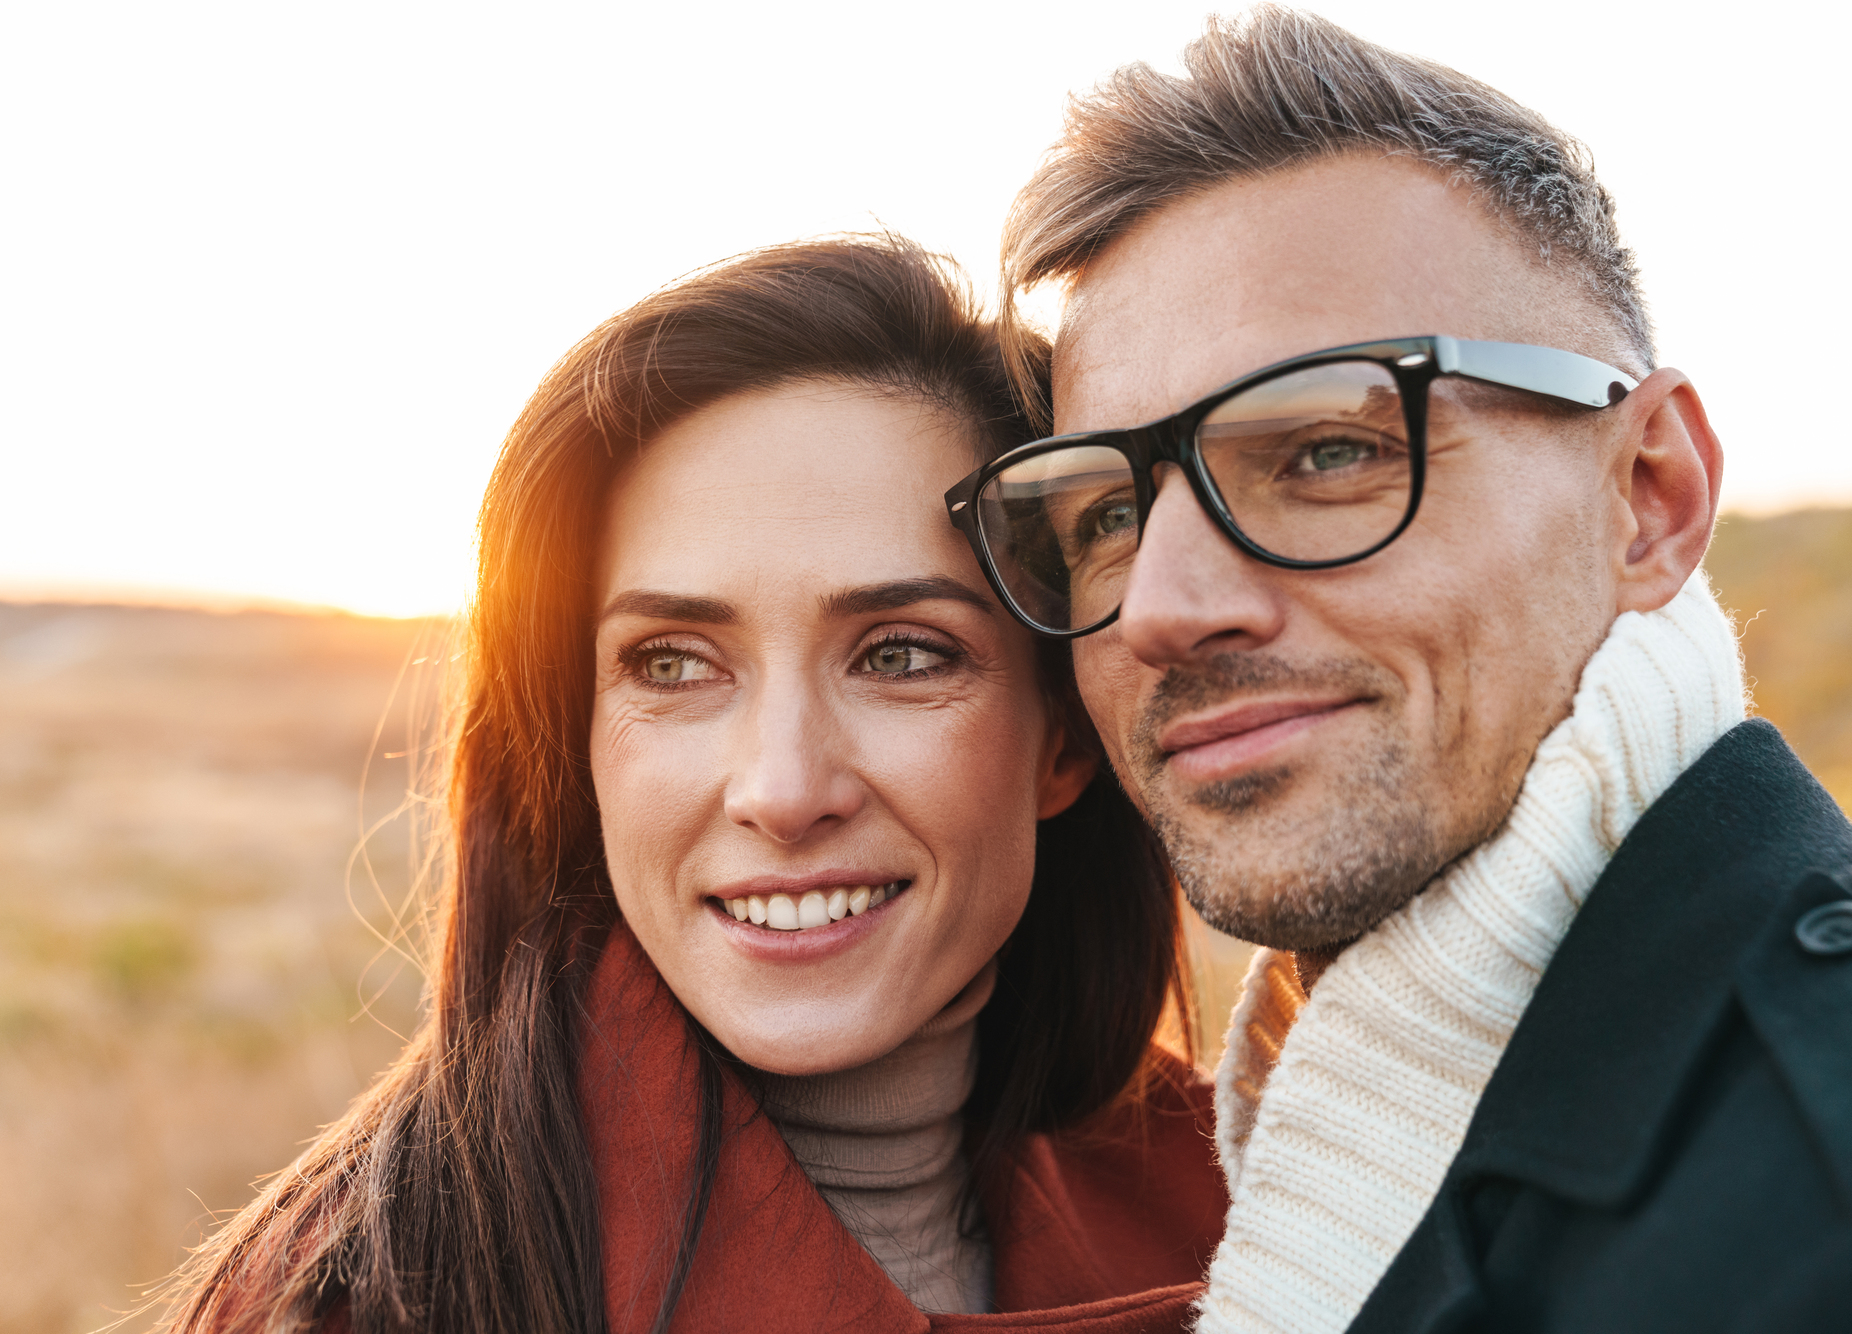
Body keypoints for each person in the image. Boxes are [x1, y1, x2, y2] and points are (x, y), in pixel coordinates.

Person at [946, 9, 1852, 1331]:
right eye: (1104, 515)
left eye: (1327, 451)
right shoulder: (1304, 1172)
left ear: (1650, 500)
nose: (1161, 605)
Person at [158, 237, 1228, 1334]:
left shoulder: (1265, 1209)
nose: (781, 786)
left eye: (901, 653)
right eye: (670, 662)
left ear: (1064, 736)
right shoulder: (363, 1301)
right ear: (577, 749)